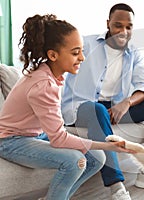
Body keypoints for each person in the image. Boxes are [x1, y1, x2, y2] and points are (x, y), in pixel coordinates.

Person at [0, 14, 134, 200]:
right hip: (10, 141)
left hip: (34, 134)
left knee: (97, 158)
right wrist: (108, 145)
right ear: (53, 55)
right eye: (75, 52)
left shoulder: (52, 76)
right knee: (75, 161)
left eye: (81, 50)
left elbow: (55, 131)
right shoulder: (43, 85)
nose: (82, 57)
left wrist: (103, 148)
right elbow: (59, 139)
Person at [61, 3, 144, 200]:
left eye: (128, 27)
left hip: (115, 108)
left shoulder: (134, 53)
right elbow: (62, 63)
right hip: (81, 108)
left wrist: (126, 103)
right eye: (118, 25)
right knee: (96, 109)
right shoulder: (86, 44)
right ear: (108, 24)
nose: (123, 31)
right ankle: (116, 186)